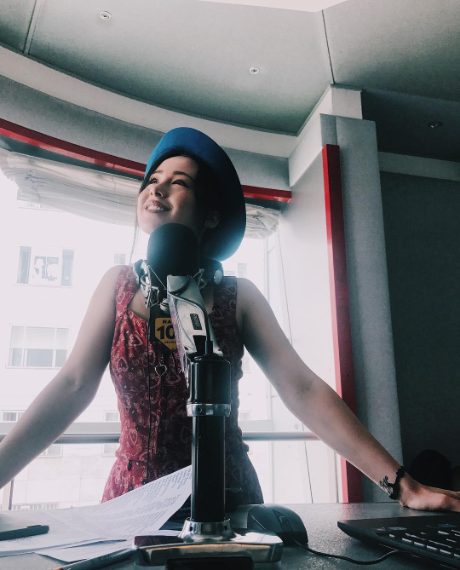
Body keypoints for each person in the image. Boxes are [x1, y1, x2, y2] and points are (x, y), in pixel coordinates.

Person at [0, 127, 459, 514]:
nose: (156, 188)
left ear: (211, 216)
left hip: (229, 505)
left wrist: (404, 486)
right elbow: (72, 385)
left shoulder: (239, 296)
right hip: (131, 504)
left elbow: (302, 389)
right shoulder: (116, 285)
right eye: (152, 180)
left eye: (178, 182)